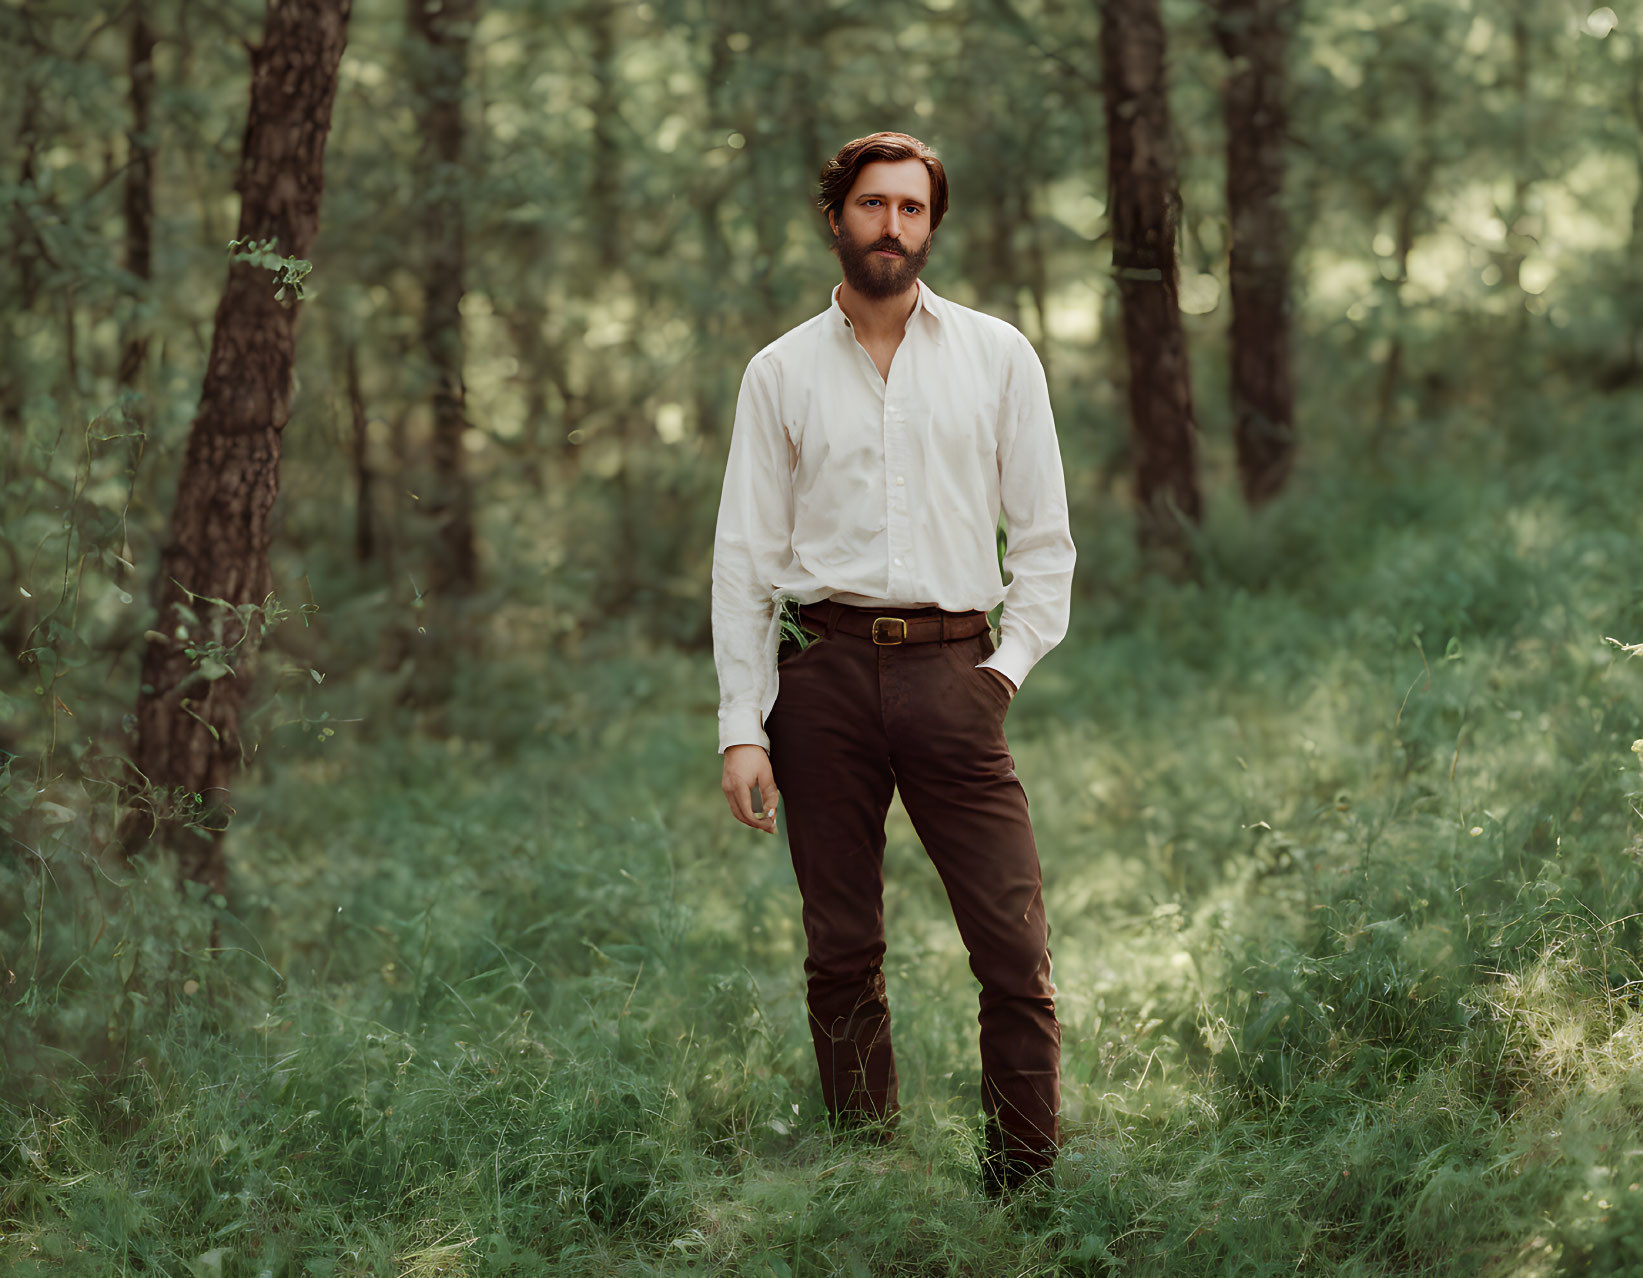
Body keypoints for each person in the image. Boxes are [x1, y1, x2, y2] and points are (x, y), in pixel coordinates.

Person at [711, 131, 1075, 1194]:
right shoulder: (778, 372)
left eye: (911, 209)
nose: (891, 226)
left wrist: (1002, 670)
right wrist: (744, 723)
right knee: (841, 952)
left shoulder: (998, 356)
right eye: (872, 206)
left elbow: (1044, 542)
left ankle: (1023, 1184)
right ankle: (869, 1183)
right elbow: (743, 557)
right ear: (837, 219)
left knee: (1012, 951)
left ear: (931, 223)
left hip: (955, 674)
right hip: (817, 680)